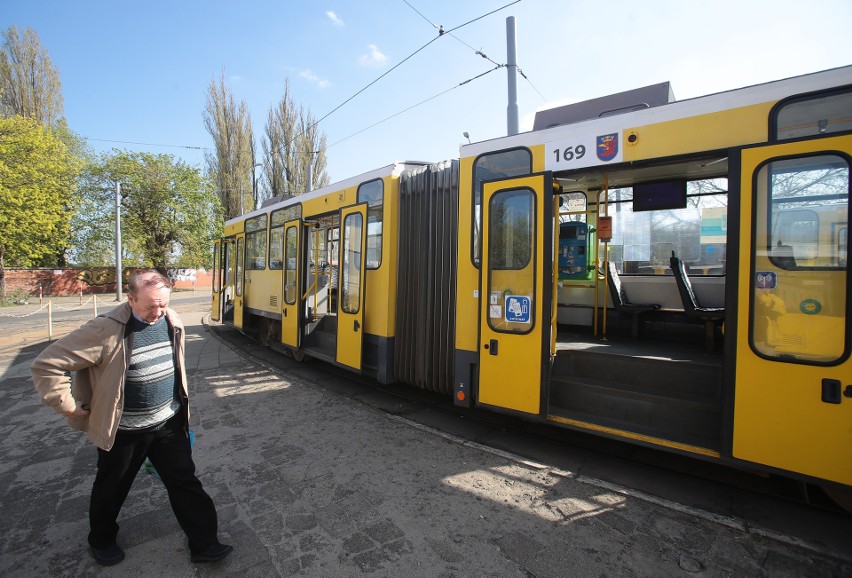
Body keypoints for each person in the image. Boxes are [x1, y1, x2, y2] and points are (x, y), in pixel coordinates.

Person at [31, 269, 232, 567]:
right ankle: (101, 540)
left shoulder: (171, 319)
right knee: (111, 488)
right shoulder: (105, 329)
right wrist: (68, 405)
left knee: (185, 483)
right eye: (150, 306)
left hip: (168, 423)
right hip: (124, 431)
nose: (158, 312)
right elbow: (46, 363)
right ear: (130, 299)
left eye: (163, 304)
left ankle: (204, 544)